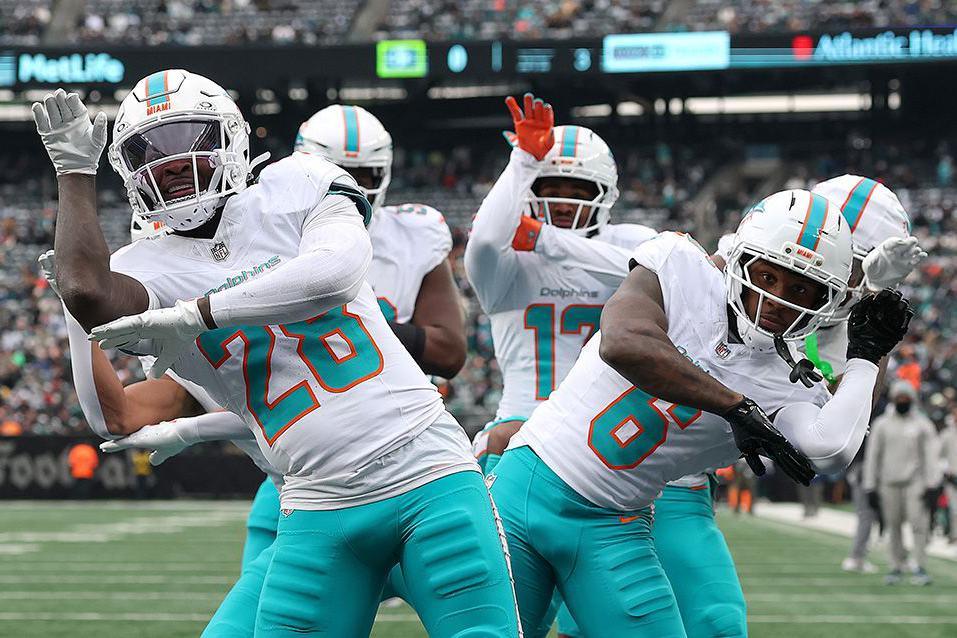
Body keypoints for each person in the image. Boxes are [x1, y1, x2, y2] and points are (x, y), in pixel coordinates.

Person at [33, 72, 519, 637]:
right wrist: (73, 175)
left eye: (189, 139)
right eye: (148, 151)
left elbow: (332, 275)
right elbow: (105, 381)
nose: (170, 163)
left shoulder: (297, 182)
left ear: (234, 139)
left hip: (427, 467)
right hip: (315, 501)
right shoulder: (147, 267)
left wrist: (200, 313)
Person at [487, 186, 912, 636]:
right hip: (525, 486)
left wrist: (867, 356)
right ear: (742, 260)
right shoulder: (678, 265)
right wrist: (735, 407)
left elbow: (831, 450)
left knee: (715, 624)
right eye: (767, 277)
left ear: (823, 301)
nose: (778, 299)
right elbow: (624, 342)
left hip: (614, 524)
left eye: (801, 289)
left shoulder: (784, 380)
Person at [463, 92, 656, 635]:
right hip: (517, 439)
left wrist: (547, 240)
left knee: (599, 621)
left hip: (611, 457)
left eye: (580, 191)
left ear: (606, 196)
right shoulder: (509, 266)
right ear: (529, 192)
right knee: (510, 620)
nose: (566, 202)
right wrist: (523, 161)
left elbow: (672, 270)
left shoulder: (630, 247)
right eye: (552, 189)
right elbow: (481, 244)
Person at [863, 380, 940, 586]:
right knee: (893, 526)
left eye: (906, 398)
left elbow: (930, 456)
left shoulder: (922, 424)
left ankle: (920, 566)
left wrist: (932, 484)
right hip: (888, 482)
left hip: (916, 482)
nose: (902, 401)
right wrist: (870, 485)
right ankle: (896, 565)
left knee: (919, 525)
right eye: (899, 398)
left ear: (912, 399)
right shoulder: (882, 425)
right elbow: (873, 456)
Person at [941, 406, 957, 543]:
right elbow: (939, 454)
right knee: (953, 508)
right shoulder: (947, 434)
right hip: (952, 477)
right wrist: (945, 470)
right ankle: (953, 535)